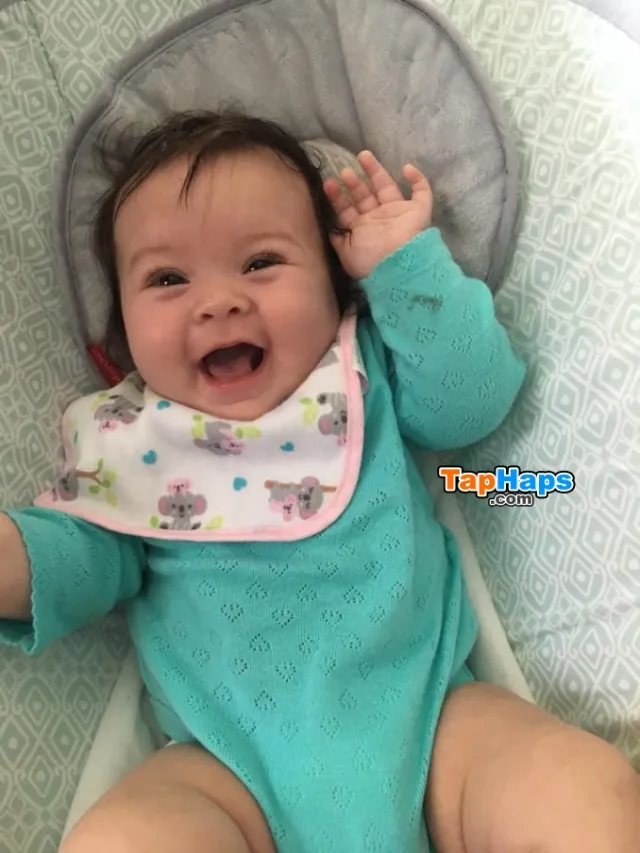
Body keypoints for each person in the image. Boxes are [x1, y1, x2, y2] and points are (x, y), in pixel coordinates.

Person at [0, 111, 638, 853]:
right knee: (122, 841)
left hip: (435, 725)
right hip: (227, 771)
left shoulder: (362, 371)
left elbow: (472, 401)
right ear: (123, 328)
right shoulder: (131, 440)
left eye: (261, 262)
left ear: (336, 287)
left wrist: (404, 270)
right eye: (168, 279)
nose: (219, 301)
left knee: (581, 792)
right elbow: (78, 556)